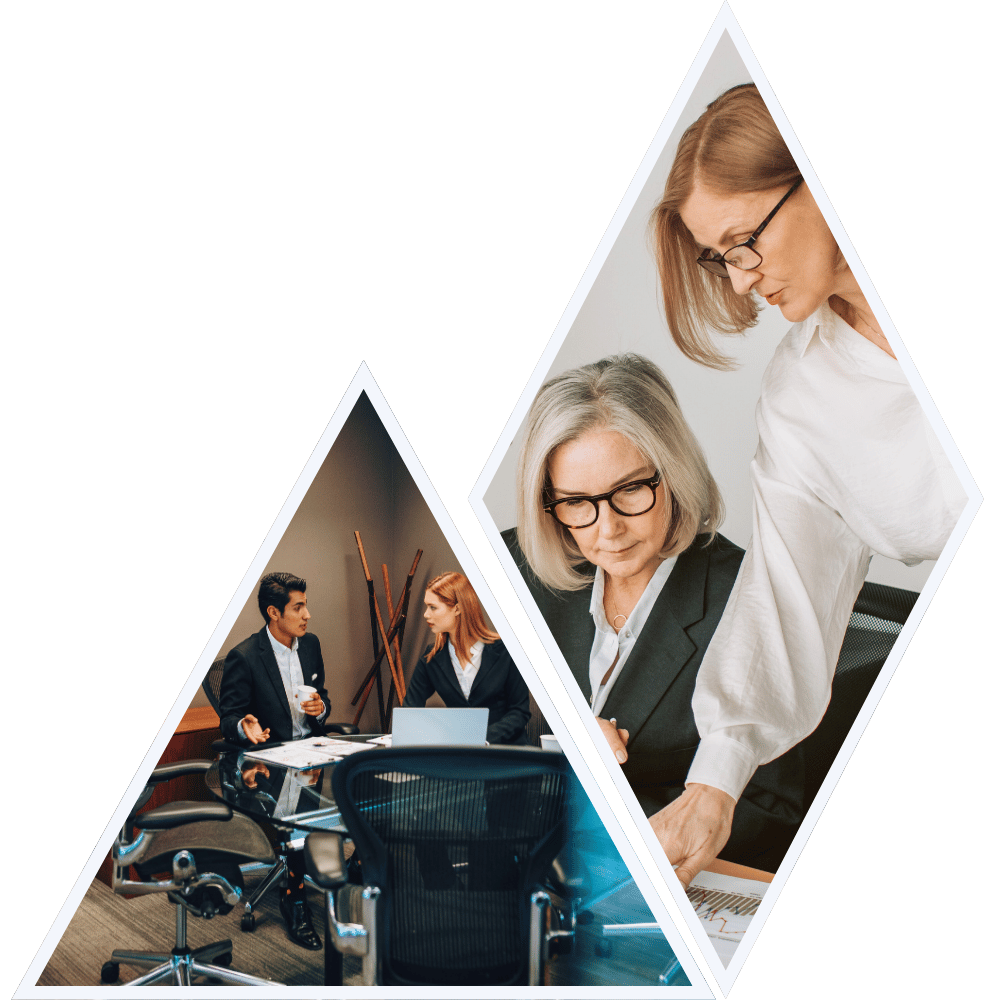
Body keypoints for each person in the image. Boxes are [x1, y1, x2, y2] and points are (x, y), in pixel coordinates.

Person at [646, 83, 967, 884]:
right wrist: (712, 784)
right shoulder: (801, 398)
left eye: (742, 242)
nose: (742, 280)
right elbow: (785, 595)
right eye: (720, 260)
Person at [505, 354, 804, 872]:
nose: (607, 530)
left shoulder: (751, 595)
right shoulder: (520, 566)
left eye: (630, 491)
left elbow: (775, 815)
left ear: (675, 472)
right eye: (576, 502)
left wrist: (595, 790)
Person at [218, 571, 330, 950]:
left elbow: (323, 699)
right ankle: (294, 899)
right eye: (298, 607)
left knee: (360, 792)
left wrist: (320, 707)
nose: (307, 615)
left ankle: (347, 881)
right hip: (272, 763)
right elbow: (229, 716)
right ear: (273, 612)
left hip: (313, 755)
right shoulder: (245, 656)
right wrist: (242, 726)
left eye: (305, 605)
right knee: (296, 818)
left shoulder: (310, 645)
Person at [402, 571, 531, 745]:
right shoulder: (432, 656)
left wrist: (481, 740)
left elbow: (519, 712)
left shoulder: (507, 651)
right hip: (461, 755)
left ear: (457, 608)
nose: (426, 614)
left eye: (433, 607)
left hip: (507, 753)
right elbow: (410, 711)